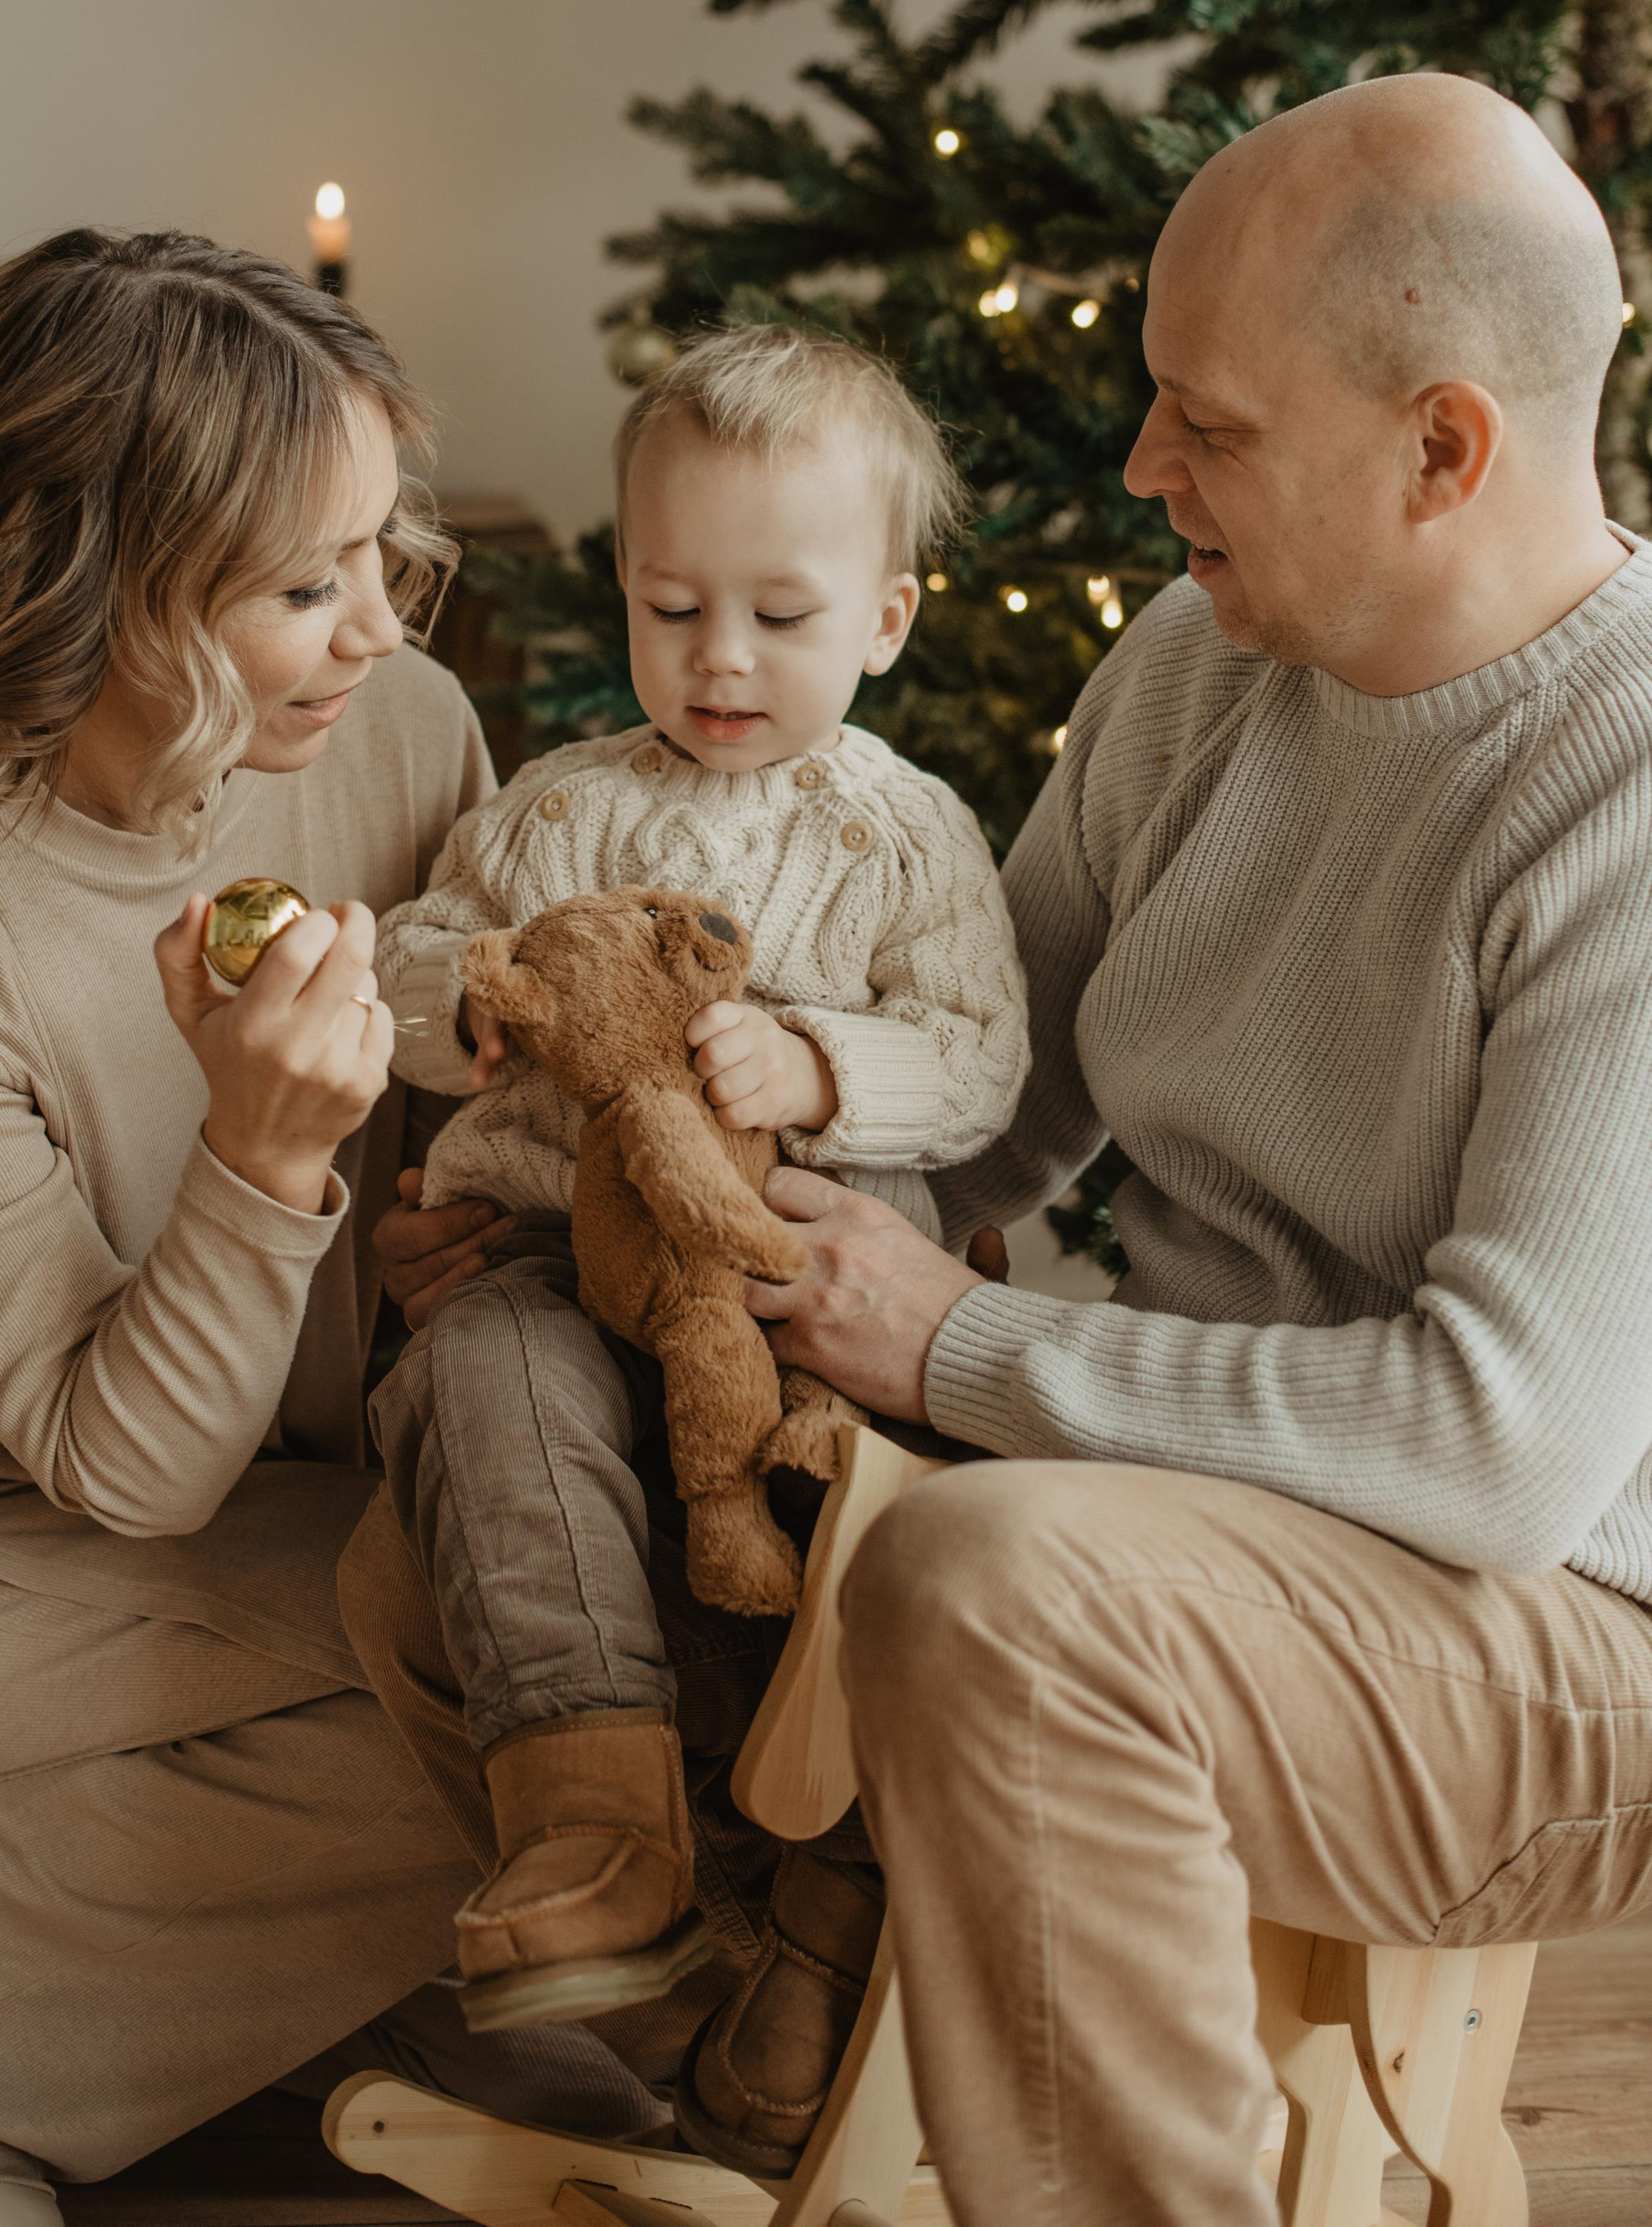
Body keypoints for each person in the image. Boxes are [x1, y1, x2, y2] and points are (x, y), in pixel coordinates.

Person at [370, 71, 1652, 2225]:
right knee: (466, 1503)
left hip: (1553, 1618)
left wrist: (960, 1351)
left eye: (1207, 425)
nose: (1146, 470)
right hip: (1196, 1510)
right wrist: (594, 1231)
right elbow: (990, 1094)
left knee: (995, 1580)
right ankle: (763, 2068)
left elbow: (1498, 1443)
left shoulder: (1619, 785)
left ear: (1445, 446)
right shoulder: (1194, 665)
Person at [0, 232, 662, 2225]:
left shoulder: (402, 734)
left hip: (310, 1476)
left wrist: (453, 1226)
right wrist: (257, 1165)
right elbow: (121, 1469)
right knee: (474, 1657)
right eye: (302, 586)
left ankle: (215, 1989)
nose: (376, 634)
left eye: (383, 557)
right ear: (111, 602)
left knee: (587, 1620)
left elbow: (465, 1138)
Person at [356, 330, 1026, 2158]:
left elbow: (981, 1053)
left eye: (778, 616)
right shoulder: (565, 803)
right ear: (625, 590)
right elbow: (426, 949)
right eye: (672, 606)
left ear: (884, 620)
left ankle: (829, 1900)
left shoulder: (908, 834)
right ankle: (595, 1813)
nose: (718, 658)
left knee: (854, 1503)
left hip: (785, 1278)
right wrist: (476, 1016)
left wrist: (819, 1060)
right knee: (478, 1379)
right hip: (555, 1265)